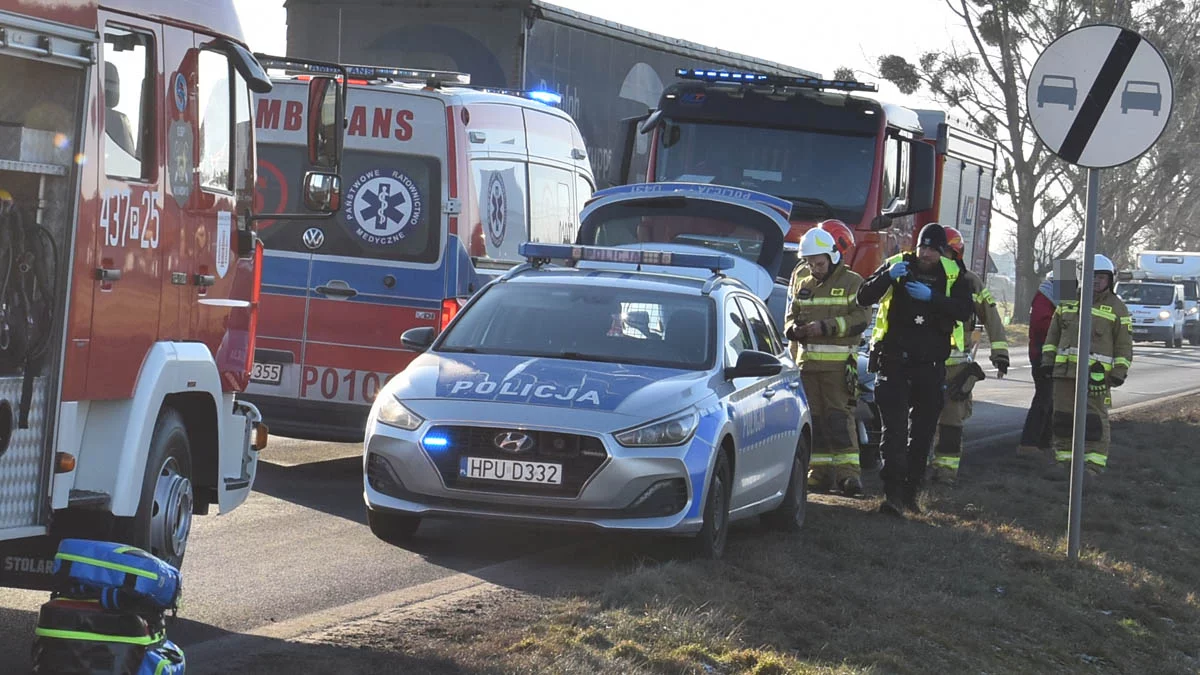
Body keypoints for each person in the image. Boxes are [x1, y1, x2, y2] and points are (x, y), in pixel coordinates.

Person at [856, 223, 974, 516]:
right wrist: (886, 277)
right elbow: (863, 296)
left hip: (930, 367)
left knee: (921, 435)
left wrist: (932, 298)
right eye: (923, 248)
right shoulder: (897, 264)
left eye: (933, 249)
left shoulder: (953, 273)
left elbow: (964, 310)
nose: (927, 254)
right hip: (894, 363)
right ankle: (892, 494)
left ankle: (911, 494)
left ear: (942, 250)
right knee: (893, 432)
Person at [785, 227, 868, 496]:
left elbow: (861, 320)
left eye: (818, 263)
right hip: (806, 366)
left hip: (837, 368)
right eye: (809, 263)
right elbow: (791, 314)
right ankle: (817, 474)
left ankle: (849, 477)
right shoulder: (802, 280)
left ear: (832, 256)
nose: (814, 268)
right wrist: (792, 330)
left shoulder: (854, 282)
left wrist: (826, 326)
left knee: (839, 420)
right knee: (815, 422)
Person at [1039, 254, 1132, 478]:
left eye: (1102, 277)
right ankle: (1064, 464)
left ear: (1110, 280)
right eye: (1092, 277)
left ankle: (1093, 467)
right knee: (1062, 419)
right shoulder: (1068, 301)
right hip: (1064, 374)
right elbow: (1053, 335)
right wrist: (1047, 362)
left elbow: (1124, 344)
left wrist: (1119, 372)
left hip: (1096, 378)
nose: (1097, 281)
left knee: (1094, 422)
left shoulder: (1118, 308)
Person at [929, 226, 1010, 483]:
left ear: (956, 254)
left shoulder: (969, 281)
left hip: (955, 366)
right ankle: (917, 469)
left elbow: (991, 315)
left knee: (951, 421)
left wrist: (1000, 353)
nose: (941, 258)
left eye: (946, 253)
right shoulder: (920, 276)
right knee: (921, 418)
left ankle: (945, 472)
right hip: (923, 363)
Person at [1017, 271, 1058, 458]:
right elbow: (1043, 325)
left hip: (1053, 355)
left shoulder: (1054, 297)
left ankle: (1045, 442)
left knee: (1051, 400)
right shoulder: (1045, 298)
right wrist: (1065, 327)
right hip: (1042, 355)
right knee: (1044, 398)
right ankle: (1029, 443)